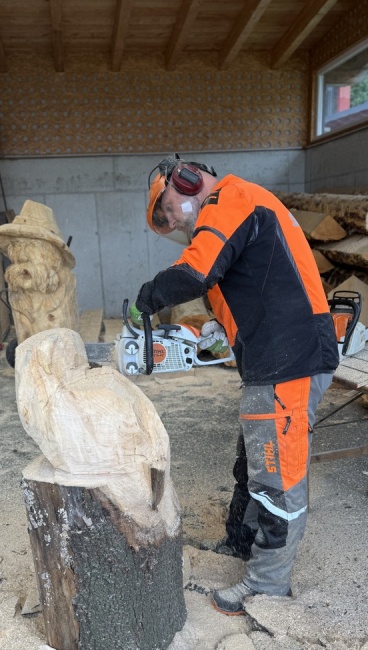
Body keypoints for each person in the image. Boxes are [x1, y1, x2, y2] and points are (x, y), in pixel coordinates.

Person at [131, 153, 339, 615]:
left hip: (288, 355)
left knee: (277, 477)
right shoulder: (235, 209)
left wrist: (148, 298)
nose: (173, 221)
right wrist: (215, 330)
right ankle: (240, 541)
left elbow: (197, 271)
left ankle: (267, 585)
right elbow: (238, 284)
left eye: (168, 208)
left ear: (187, 180)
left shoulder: (231, 197)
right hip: (273, 354)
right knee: (254, 462)